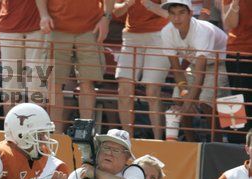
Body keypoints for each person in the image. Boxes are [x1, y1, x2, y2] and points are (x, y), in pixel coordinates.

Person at [35, 0, 115, 133]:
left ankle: (85, 133)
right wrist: (43, 15)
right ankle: (55, 135)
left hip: (91, 28)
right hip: (56, 28)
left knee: (87, 83)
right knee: (54, 83)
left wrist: (106, 19)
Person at [160, 0, 229, 141]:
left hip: (221, 63)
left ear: (191, 14)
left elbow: (200, 76)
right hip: (195, 64)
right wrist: (185, 95)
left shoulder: (202, 31)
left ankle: (215, 142)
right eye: (172, 13)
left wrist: (188, 103)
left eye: (181, 13)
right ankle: (191, 142)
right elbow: (176, 69)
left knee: (206, 102)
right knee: (178, 99)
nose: (176, 18)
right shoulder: (166, 32)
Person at [113, 0, 169, 140]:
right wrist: (127, 4)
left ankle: (158, 141)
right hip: (131, 36)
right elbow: (115, 11)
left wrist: (148, 4)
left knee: (152, 91)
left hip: (160, 35)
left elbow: (170, 13)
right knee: (123, 90)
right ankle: (127, 140)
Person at [0, 0, 48, 116]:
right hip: (9, 25)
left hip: (38, 24)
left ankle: (36, 126)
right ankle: (9, 127)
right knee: (10, 81)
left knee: (36, 81)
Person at [222, 0, 252, 142]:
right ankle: (233, 144)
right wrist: (235, 3)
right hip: (238, 51)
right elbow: (229, 24)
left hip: (240, 51)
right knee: (234, 99)